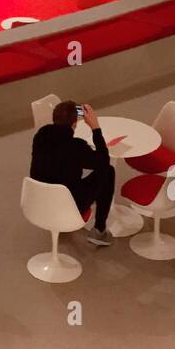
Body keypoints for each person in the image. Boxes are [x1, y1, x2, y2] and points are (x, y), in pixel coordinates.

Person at [30, 101, 115, 247]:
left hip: (40, 201)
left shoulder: (41, 135)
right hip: (68, 205)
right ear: (75, 123)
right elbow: (103, 161)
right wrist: (95, 128)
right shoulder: (76, 147)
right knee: (108, 172)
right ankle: (100, 230)